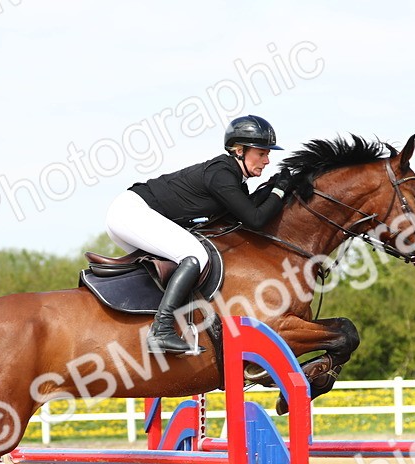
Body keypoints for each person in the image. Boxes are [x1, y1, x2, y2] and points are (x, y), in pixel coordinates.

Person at [105, 114, 294, 354]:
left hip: (131, 215)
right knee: (195, 255)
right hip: (130, 213)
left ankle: (164, 325)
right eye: (262, 153)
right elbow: (255, 219)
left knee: (177, 263)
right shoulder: (222, 174)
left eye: (268, 154)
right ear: (239, 150)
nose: (267, 160)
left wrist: (274, 187)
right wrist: (278, 191)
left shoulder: (232, 177)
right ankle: (161, 331)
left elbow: (244, 211)